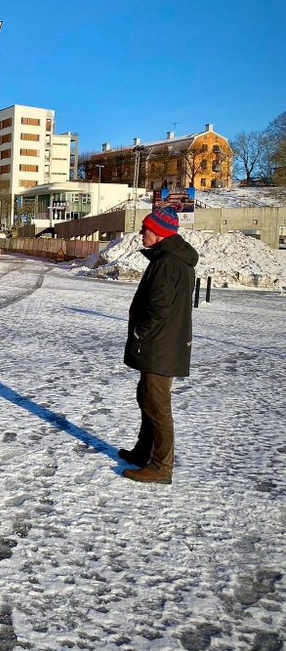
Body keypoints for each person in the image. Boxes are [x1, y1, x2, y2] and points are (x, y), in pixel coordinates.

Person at [120, 206, 197, 484]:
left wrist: (141, 333)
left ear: (159, 233)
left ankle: (161, 466)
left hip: (159, 346)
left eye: (145, 229)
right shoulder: (172, 259)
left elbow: (159, 309)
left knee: (157, 405)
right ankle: (144, 451)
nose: (141, 233)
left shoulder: (167, 263)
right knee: (146, 397)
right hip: (164, 344)